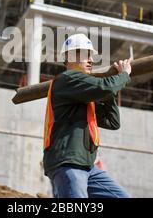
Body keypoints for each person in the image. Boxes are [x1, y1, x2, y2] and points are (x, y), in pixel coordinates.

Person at [43, 33, 131, 198]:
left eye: (91, 56)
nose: (91, 60)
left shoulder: (83, 93)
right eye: (85, 55)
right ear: (69, 57)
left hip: (87, 166)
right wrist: (123, 75)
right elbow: (104, 88)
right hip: (68, 163)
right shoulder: (67, 79)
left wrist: (108, 92)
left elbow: (112, 122)